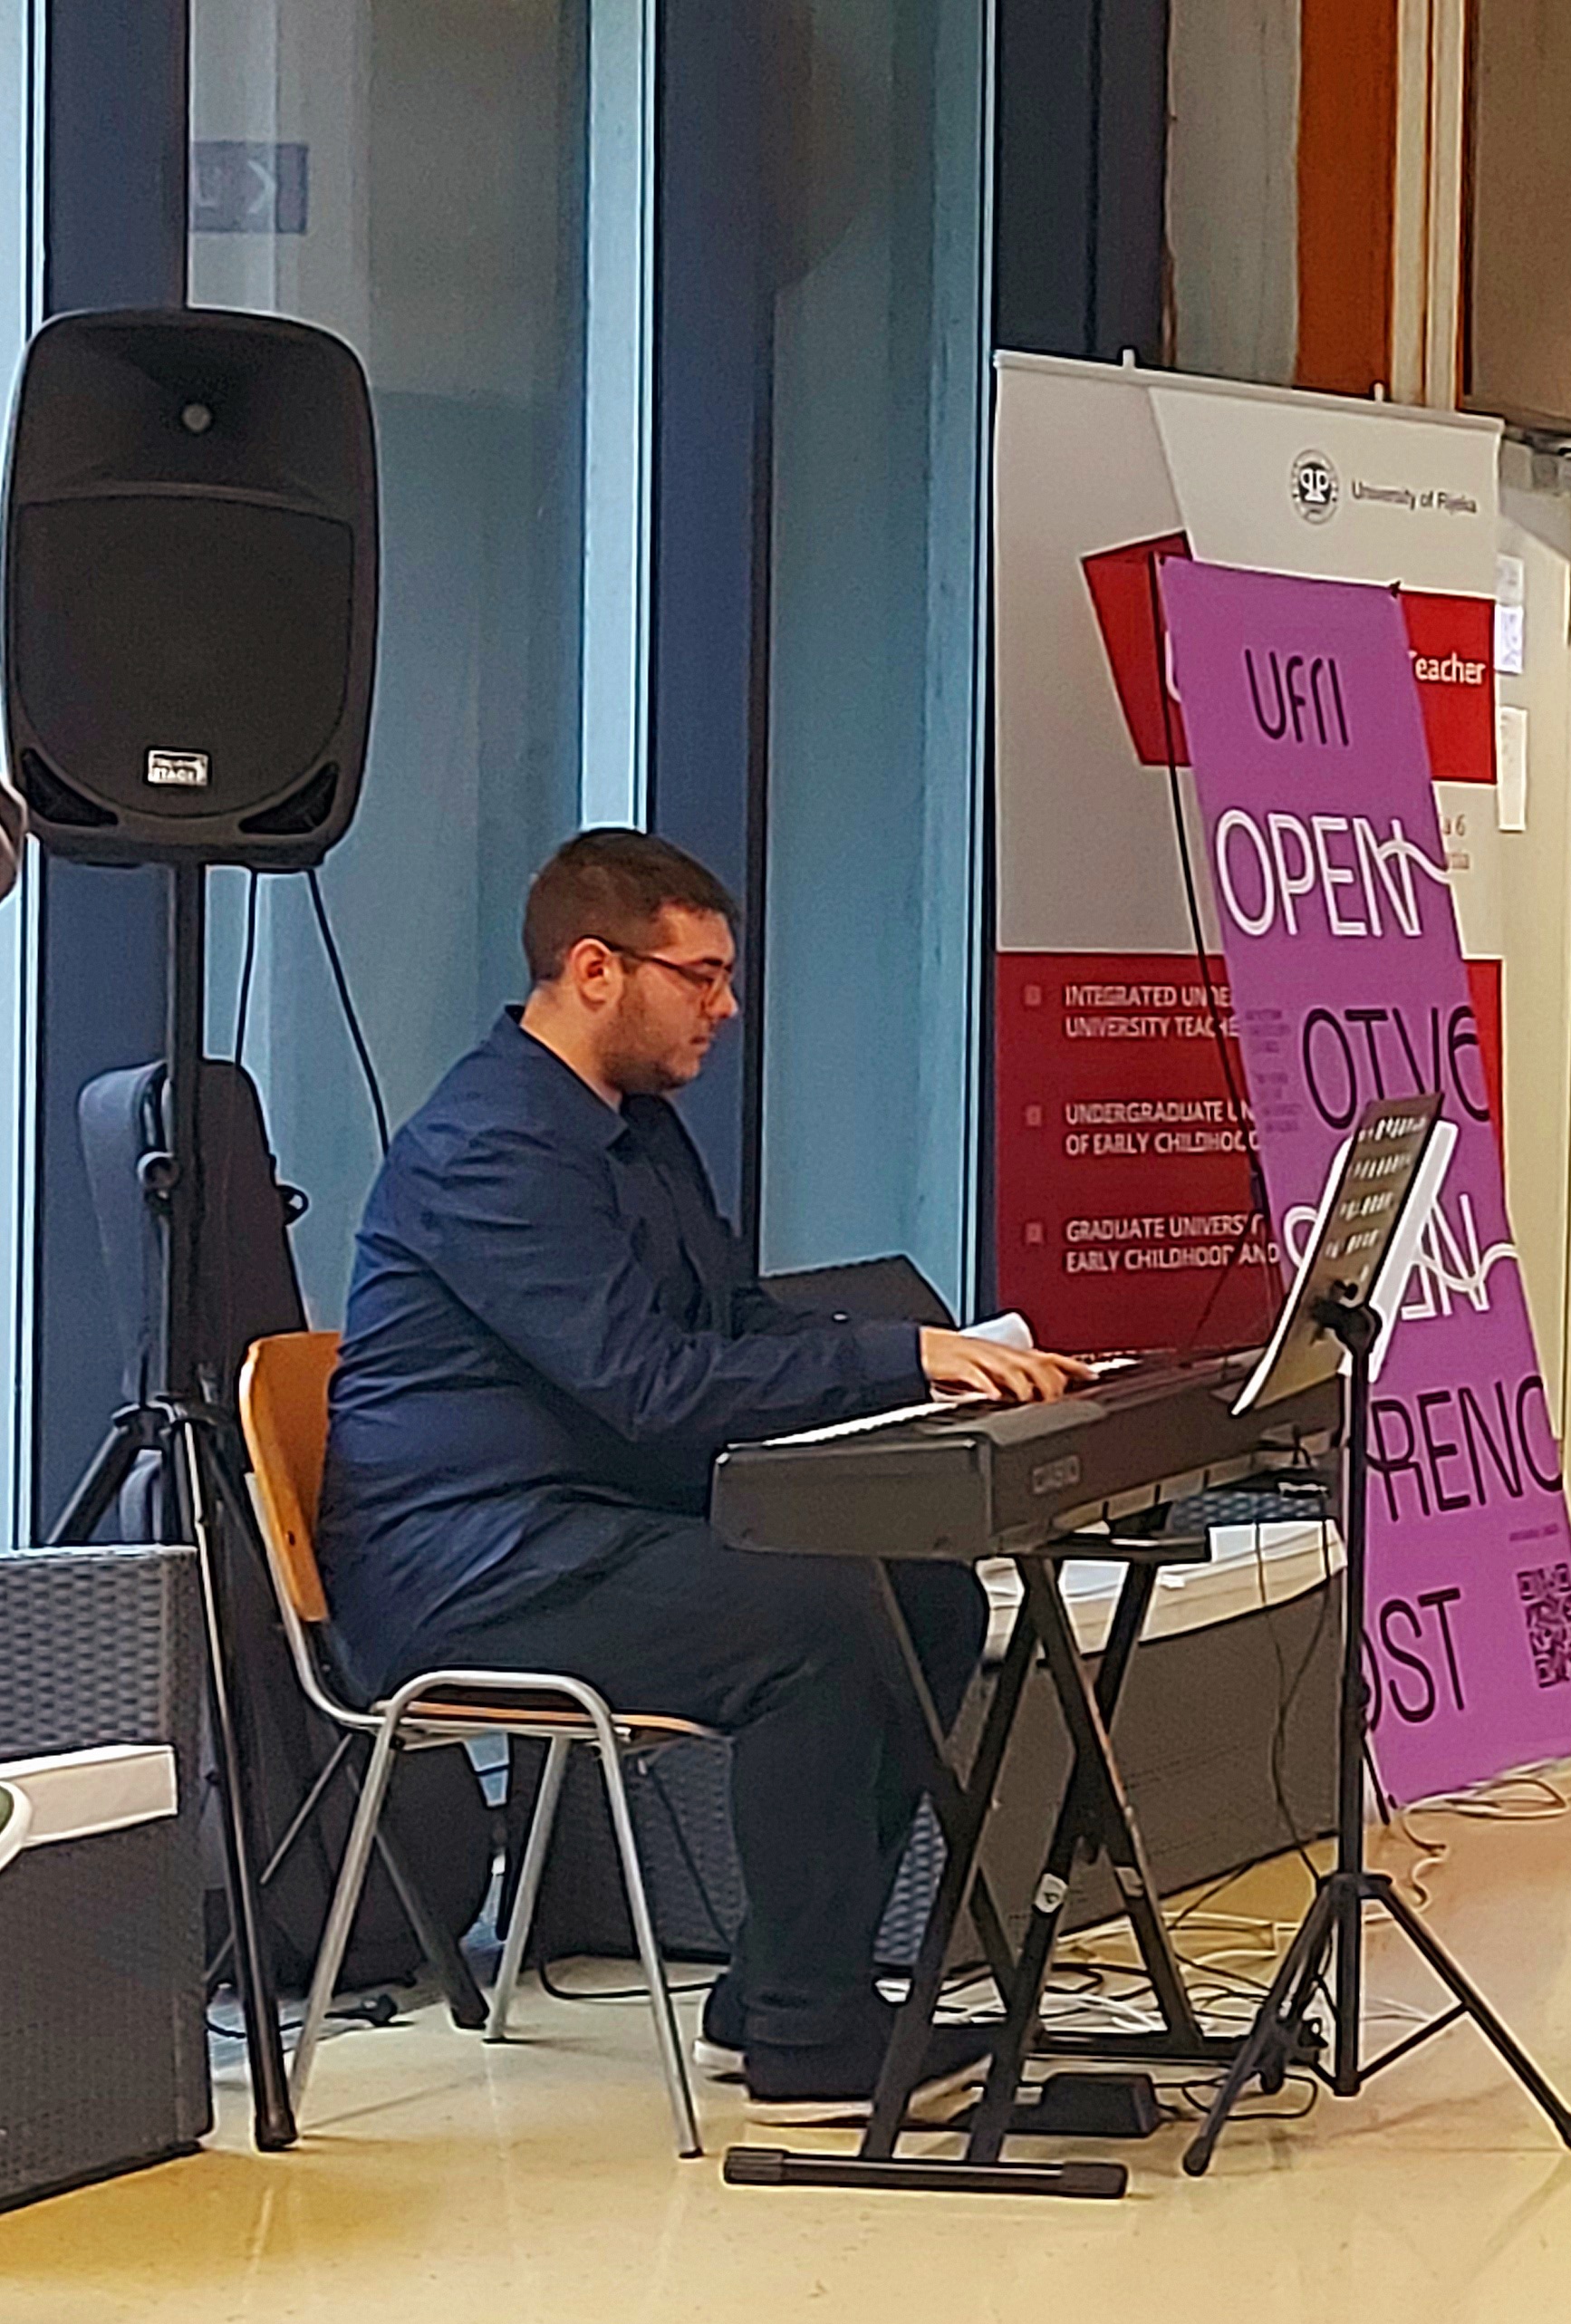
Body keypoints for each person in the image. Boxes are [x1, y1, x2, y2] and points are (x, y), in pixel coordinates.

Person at [318, 829, 1088, 2123]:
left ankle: (785, 1980)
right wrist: (895, 1360)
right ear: (595, 970)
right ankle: (806, 2041)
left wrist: (925, 1359)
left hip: (586, 1527)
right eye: (702, 976)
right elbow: (652, 1391)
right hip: (466, 1564)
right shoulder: (491, 1148)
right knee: (820, 1620)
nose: (726, 1008)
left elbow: (726, 1324)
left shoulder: (636, 1130)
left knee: (927, 1597)